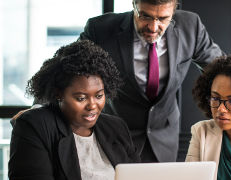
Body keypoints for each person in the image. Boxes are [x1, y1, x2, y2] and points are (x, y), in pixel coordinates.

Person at [79, 0, 224, 162]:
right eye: (145, 16)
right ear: (134, 4)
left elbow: (222, 70)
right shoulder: (100, 29)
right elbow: (70, 71)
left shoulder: (191, 26)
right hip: (115, 135)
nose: (153, 28)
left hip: (164, 135)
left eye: (163, 19)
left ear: (174, 10)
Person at [9, 40, 140, 180]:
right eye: (81, 98)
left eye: (99, 96)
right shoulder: (35, 126)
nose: (92, 105)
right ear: (58, 93)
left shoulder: (116, 127)